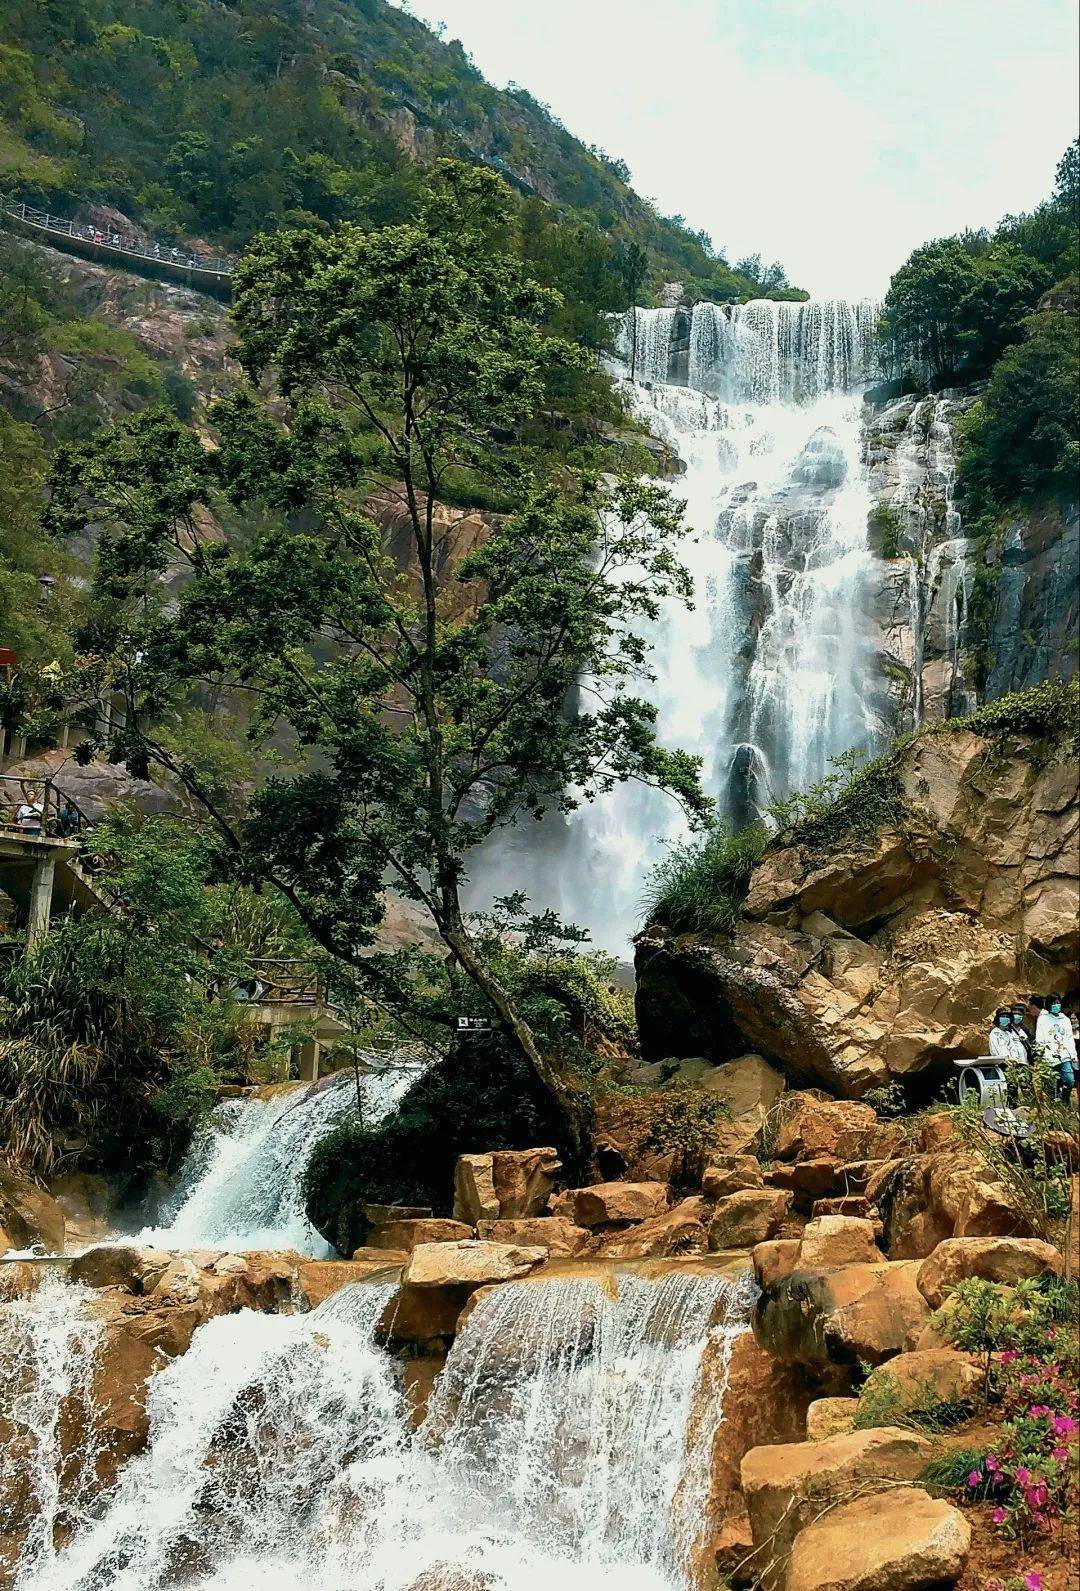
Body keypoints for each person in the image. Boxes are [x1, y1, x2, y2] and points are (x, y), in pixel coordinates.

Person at [1035, 995, 1077, 1103]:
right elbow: (1039, 1037)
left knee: (1069, 1080)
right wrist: (1040, 1053)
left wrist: (1073, 1055)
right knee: (1050, 1083)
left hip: (1064, 1054)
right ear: (1048, 1005)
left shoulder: (1065, 1020)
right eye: (1053, 1003)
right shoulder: (1043, 1019)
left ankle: (1065, 1100)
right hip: (1048, 1055)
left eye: (1058, 1003)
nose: (1056, 1005)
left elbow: (1069, 1038)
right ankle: (1055, 1103)